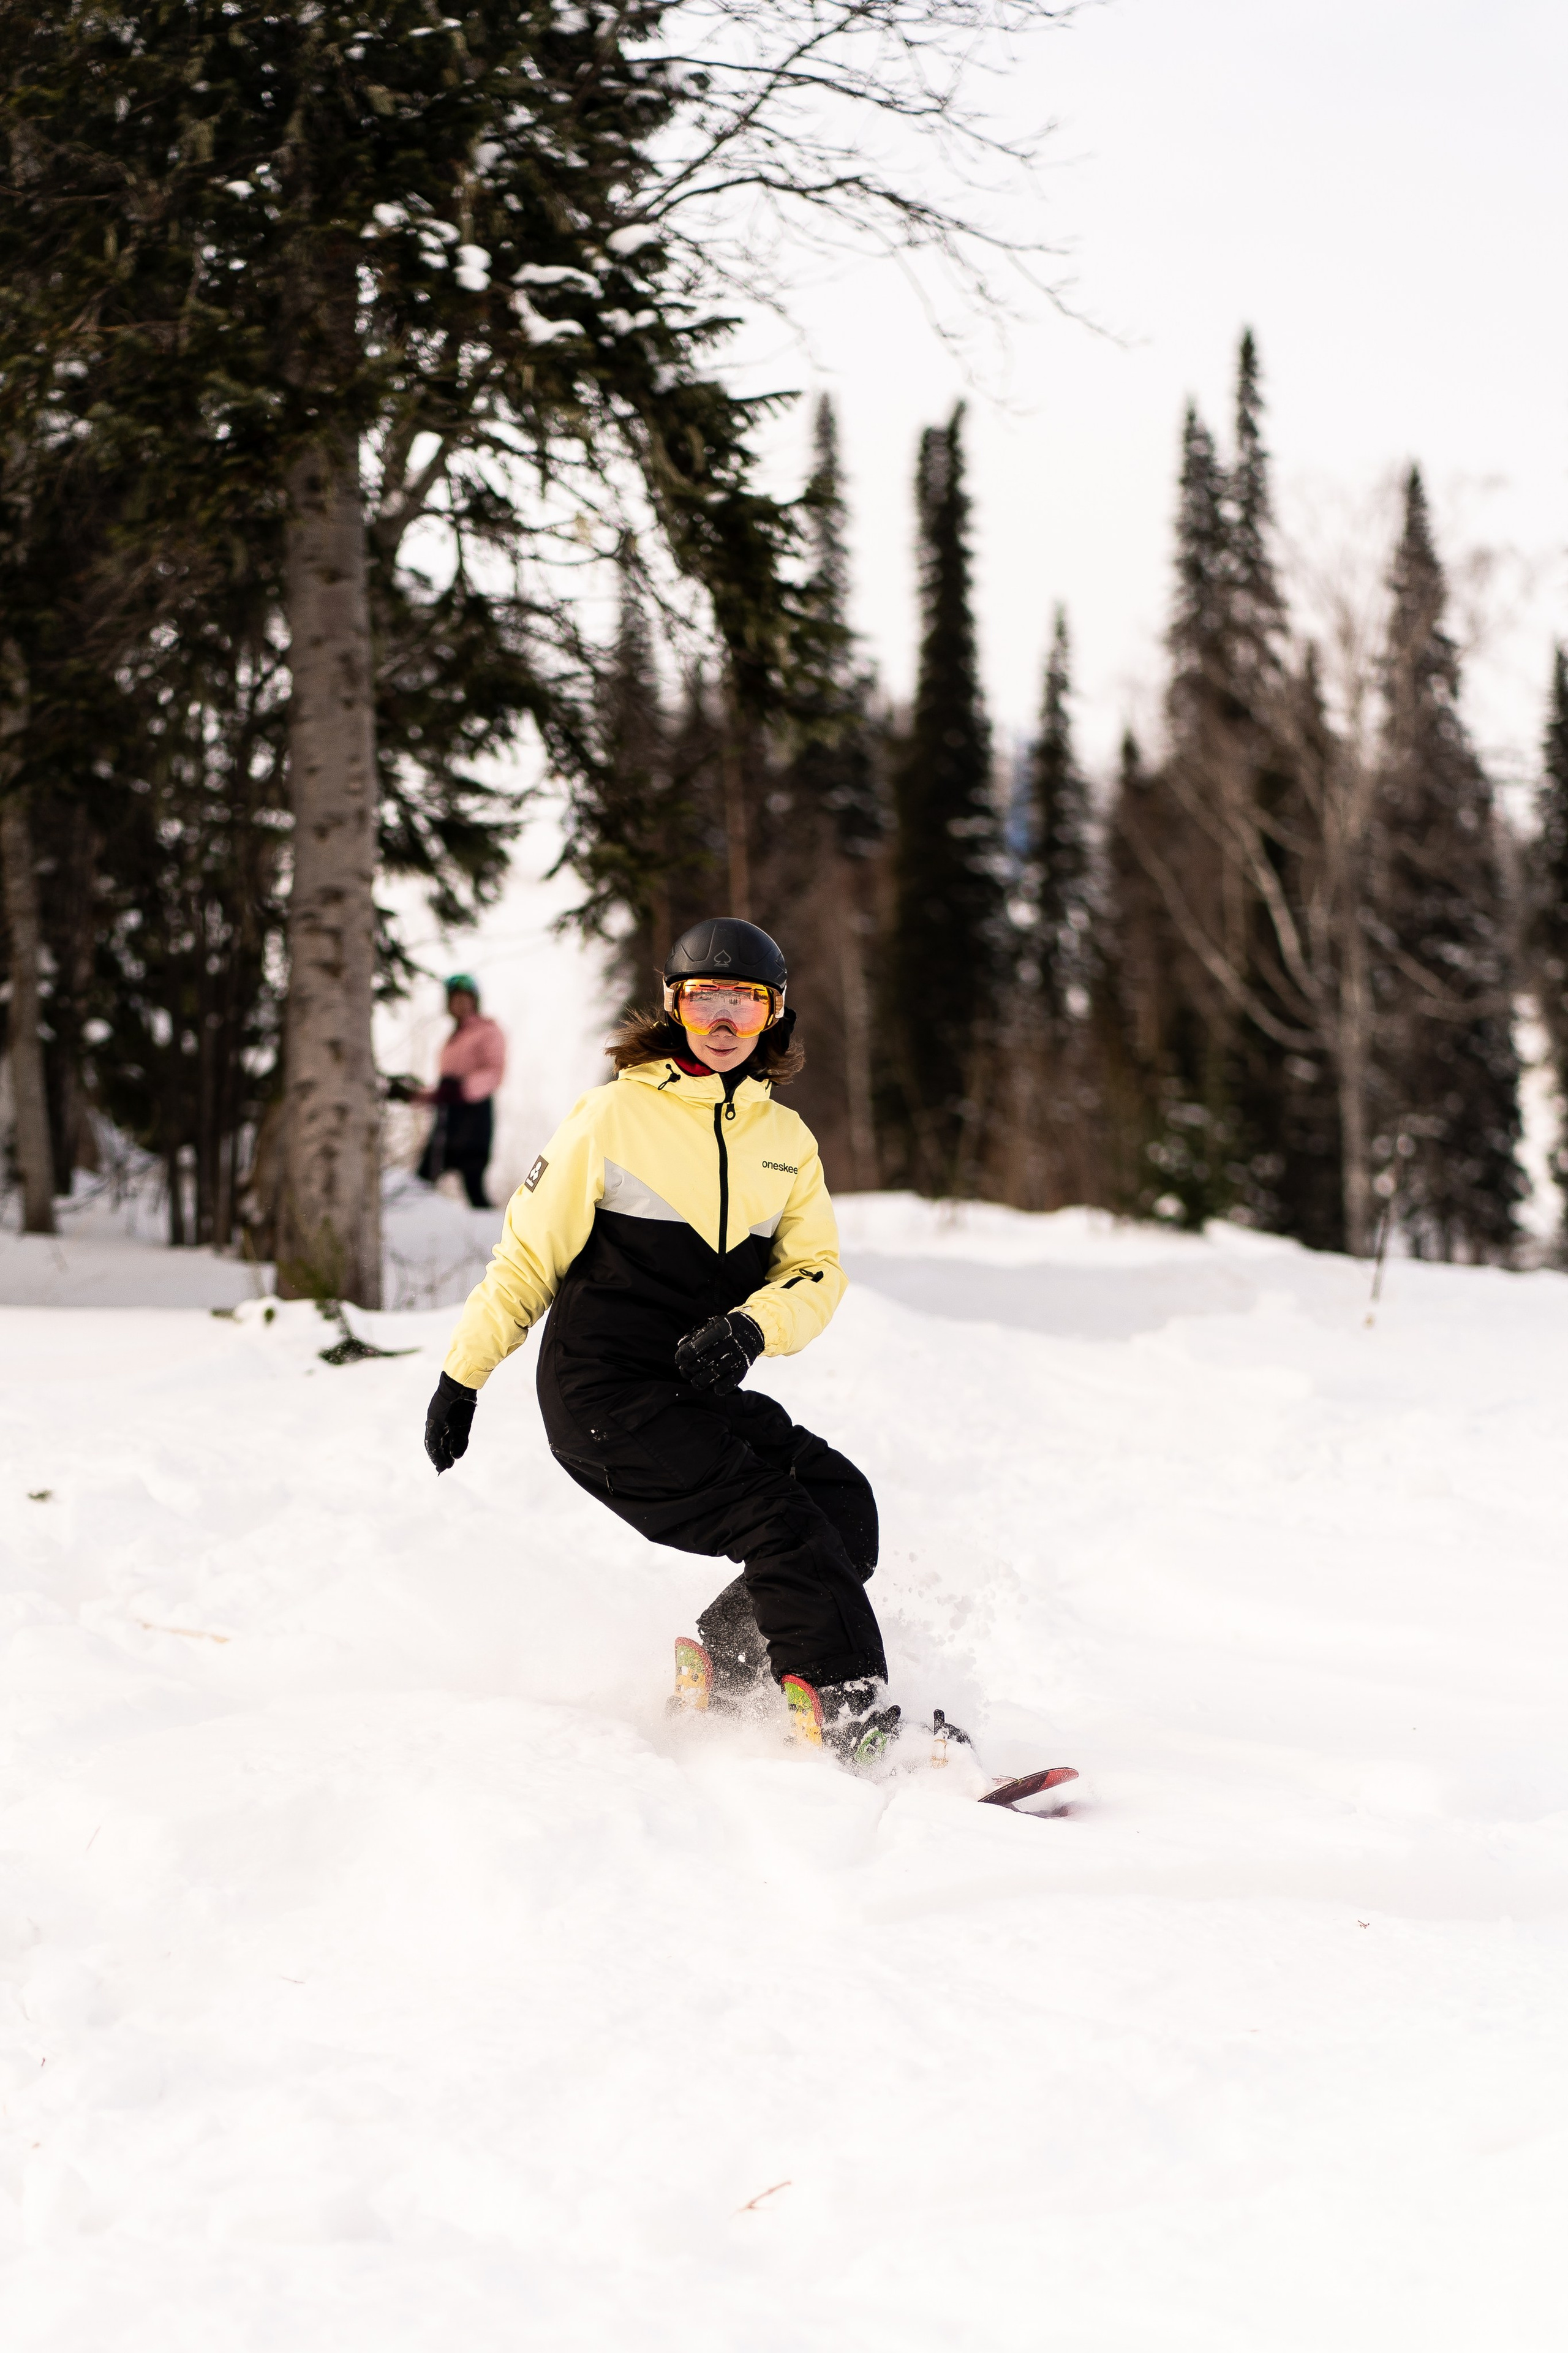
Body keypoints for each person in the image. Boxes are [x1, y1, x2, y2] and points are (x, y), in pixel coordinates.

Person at [421, 918, 897, 1766]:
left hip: (693, 1391)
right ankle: (850, 1712)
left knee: (840, 1503)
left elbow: (816, 1273)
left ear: (773, 1018)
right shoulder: (611, 1118)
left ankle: (731, 1670)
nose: (723, 1023)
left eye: (744, 1006)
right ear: (675, 1008)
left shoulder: (785, 1143)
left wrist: (753, 1326)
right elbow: (526, 1257)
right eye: (705, 1001)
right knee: (778, 1517)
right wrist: (464, 1377)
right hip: (601, 1392)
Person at [416, 975, 507, 1209]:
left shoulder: (488, 1031)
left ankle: (495, 1236)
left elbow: (494, 1072)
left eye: (466, 999)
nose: (461, 1004)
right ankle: (416, 1230)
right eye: (456, 1000)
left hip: (474, 1115)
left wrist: (463, 1090)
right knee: (425, 1176)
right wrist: (413, 1095)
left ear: (475, 1002)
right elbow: (445, 1086)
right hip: (448, 1116)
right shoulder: (453, 1038)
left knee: (473, 1183)